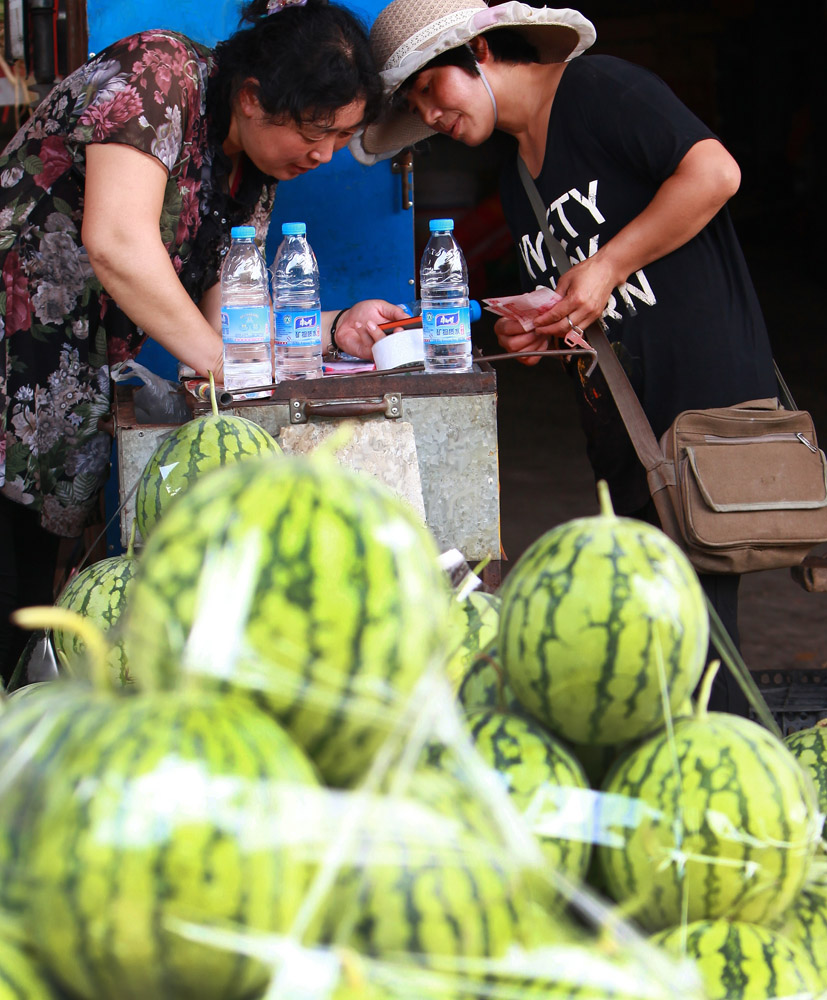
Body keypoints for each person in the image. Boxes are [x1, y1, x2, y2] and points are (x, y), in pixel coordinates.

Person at [353, 0, 779, 715]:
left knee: (702, 644)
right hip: (627, 439)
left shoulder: (599, 89)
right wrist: (538, 332)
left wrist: (606, 266)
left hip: (700, 413)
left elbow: (713, 175)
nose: (429, 115)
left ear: (479, 51)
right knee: (661, 640)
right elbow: (579, 308)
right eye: (415, 105)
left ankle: (750, 805)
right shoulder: (517, 183)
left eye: (432, 88)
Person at [0, 0, 407, 680]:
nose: (325, 154)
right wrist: (222, 362)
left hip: (69, 392)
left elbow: (228, 325)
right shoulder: (158, 76)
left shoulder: (251, 175)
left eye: (342, 136)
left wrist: (331, 328)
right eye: (316, 130)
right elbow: (117, 240)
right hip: (13, 353)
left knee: (31, 605)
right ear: (252, 98)